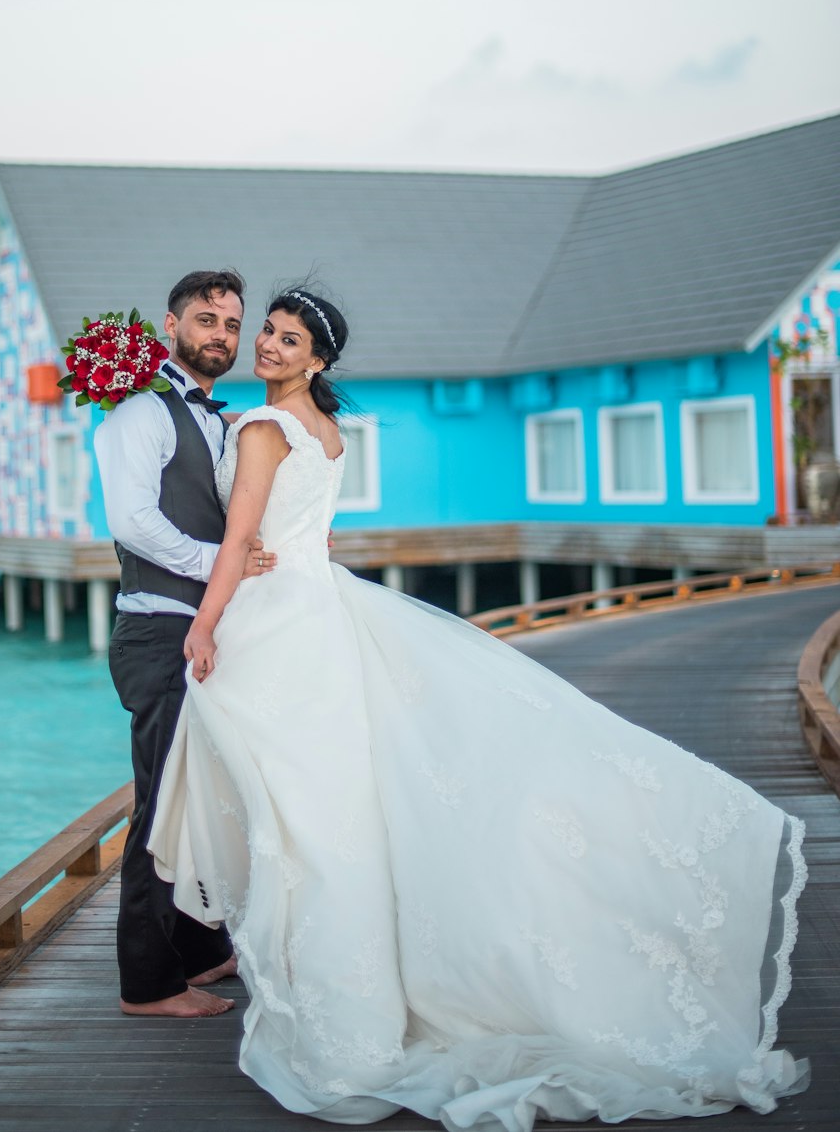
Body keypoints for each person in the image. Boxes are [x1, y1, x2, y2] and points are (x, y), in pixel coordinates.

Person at [148, 286, 809, 1127]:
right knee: (334, 813)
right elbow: (301, 534)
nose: (268, 347)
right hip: (324, 615)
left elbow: (241, 540)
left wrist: (205, 626)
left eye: (287, 339)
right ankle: (347, 999)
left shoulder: (262, 428)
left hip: (277, 628)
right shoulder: (327, 432)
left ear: (318, 360)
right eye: (267, 334)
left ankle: (331, 1009)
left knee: (301, 820)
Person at [94, 269, 277, 1018]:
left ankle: (201, 950)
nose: (222, 336)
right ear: (171, 325)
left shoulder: (217, 420)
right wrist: (218, 564)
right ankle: (148, 982)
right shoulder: (141, 414)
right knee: (160, 805)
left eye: (232, 325)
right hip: (156, 630)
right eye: (207, 320)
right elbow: (132, 521)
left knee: (201, 800)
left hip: (200, 632)